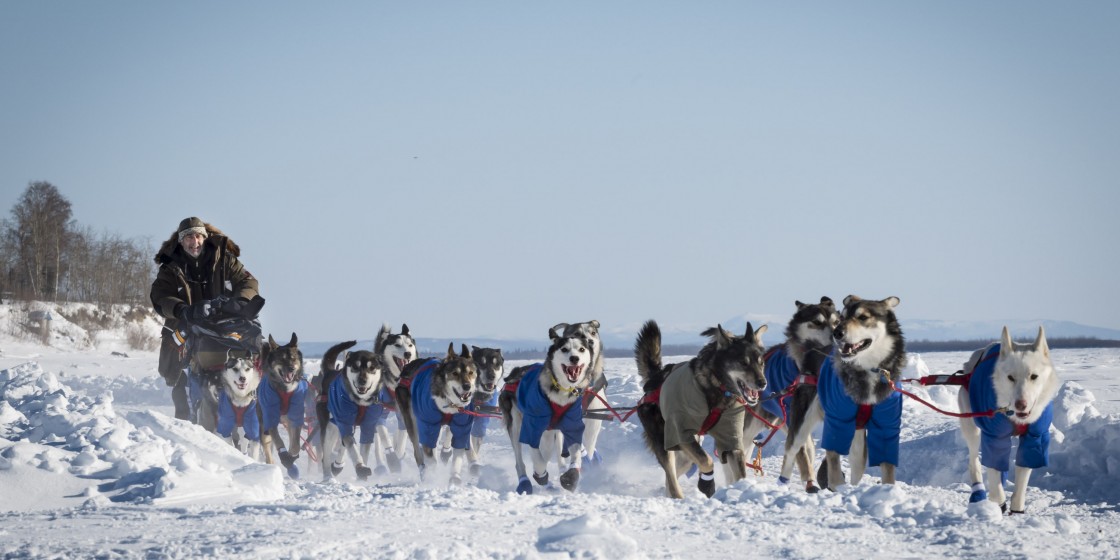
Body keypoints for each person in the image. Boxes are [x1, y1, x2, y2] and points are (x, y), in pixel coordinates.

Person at [151, 217, 259, 420]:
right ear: (181, 241)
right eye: (189, 237)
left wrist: (240, 301)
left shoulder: (224, 258)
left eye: (198, 236)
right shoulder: (170, 266)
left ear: (205, 237)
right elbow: (160, 296)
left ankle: (256, 405)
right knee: (176, 374)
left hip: (225, 320)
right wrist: (182, 309)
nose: (195, 242)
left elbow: (249, 282)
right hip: (186, 322)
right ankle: (185, 420)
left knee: (254, 342)